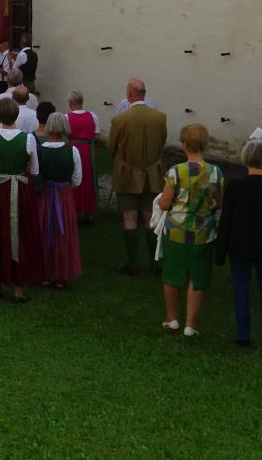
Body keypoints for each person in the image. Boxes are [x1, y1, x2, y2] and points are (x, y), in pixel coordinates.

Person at [216, 140, 262, 348]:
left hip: (240, 244)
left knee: (240, 287)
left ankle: (243, 334)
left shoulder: (235, 187)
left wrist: (221, 251)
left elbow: (226, 219)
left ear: (245, 158)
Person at [158, 123, 224, 336]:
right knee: (197, 277)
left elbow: (165, 204)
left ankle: (172, 318)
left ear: (185, 144)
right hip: (204, 233)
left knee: (172, 273)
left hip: (176, 231)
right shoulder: (215, 172)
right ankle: (190, 324)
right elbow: (219, 202)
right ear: (204, 144)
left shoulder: (176, 171)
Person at [0, 97, 45, 302]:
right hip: (20, 191)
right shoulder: (28, 139)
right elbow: (35, 170)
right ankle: (18, 288)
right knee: (20, 233)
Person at [107, 78, 167, 276]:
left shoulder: (120, 119)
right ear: (144, 93)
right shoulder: (160, 117)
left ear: (129, 94)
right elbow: (161, 144)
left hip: (127, 174)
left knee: (130, 218)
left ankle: (133, 264)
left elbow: (111, 147)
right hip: (152, 174)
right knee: (151, 219)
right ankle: (154, 263)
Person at [37, 112, 83, 289]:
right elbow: (77, 180)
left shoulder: (39, 150)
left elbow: (35, 174)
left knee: (43, 231)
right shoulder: (72, 150)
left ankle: (44, 274)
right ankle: (61, 276)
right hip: (63, 195)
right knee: (63, 233)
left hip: (45, 195)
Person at [66, 90, 100, 220]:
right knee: (88, 178)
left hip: (72, 149)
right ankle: (89, 211)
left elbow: (64, 134)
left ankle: (73, 210)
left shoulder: (66, 117)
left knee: (73, 177)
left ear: (70, 103)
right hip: (87, 150)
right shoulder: (92, 115)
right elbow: (97, 136)